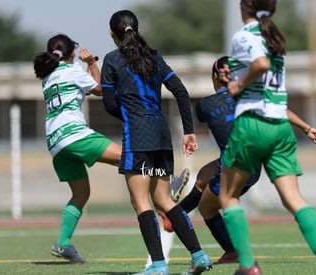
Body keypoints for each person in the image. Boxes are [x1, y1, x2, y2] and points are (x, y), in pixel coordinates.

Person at [159, 56, 316, 266]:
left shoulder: (205, 105)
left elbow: (208, 118)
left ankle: (230, 249)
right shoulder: (251, 97)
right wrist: (308, 128)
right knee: (202, 176)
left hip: (234, 164)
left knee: (206, 208)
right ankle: (175, 215)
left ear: (214, 76)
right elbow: (280, 110)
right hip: (252, 162)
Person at [218, 1, 316, 274]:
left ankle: (248, 265)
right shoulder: (275, 39)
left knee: (227, 196)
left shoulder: (243, 36)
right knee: (294, 199)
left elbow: (259, 65)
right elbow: (267, 73)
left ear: (244, 6)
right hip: (280, 127)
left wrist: (238, 83)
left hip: (252, 124)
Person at [101, 9, 212, 275]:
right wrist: (189, 131)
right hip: (162, 136)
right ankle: (199, 256)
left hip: (137, 138)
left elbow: (109, 104)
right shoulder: (154, 57)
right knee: (163, 199)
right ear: (136, 30)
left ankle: (159, 267)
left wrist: (130, 114)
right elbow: (181, 93)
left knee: (141, 202)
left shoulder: (111, 60)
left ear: (111, 33)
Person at [33, 34, 122, 263]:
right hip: (73, 134)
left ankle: (63, 243)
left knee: (81, 194)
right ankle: (164, 189)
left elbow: (89, 89)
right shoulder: (72, 71)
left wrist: (87, 68)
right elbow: (101, 89)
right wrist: (92, 62)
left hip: (55, 142)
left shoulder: (48, 76)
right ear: (72, 53)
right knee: (127, 156)